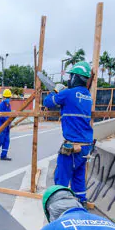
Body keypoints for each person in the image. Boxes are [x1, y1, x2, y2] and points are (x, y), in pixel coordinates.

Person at [43, 61, 94, 204]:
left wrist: (56, 91)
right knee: (78, 177)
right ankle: (81, 202)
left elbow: (48, 102)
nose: (69, 79)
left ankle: (60, 205)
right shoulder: (88, 96)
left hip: (72, 146)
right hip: (86, 146)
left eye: (71, 76)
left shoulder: (67, 94)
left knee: (61, 178)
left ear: (76, 77)